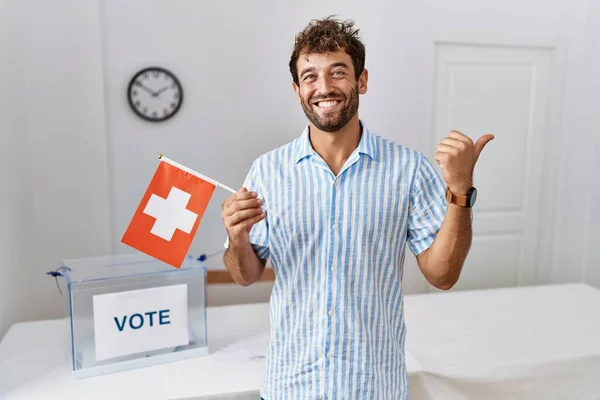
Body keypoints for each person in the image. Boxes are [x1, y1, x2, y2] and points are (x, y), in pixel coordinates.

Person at [221, 16, 493, 400]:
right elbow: (246, 274)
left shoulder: (409, 169)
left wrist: (460, 189)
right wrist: (237, 239)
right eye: (310, 76)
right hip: (290, 386)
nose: (324, 87)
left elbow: (442, 275)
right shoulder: (267, 171)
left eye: (338, 72)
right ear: (297, 89)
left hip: (374, 387)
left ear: (361, 81)